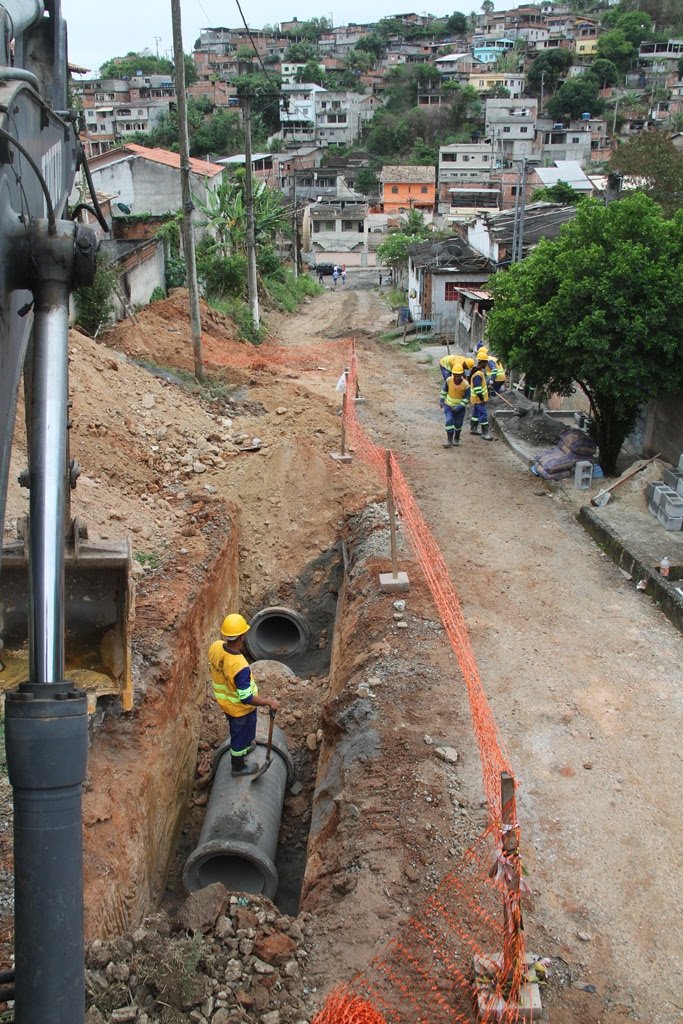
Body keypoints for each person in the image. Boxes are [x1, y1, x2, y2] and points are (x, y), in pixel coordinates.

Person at [208, 613, 281, 776]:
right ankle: (238, 766)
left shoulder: (216, 647)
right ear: (242, 636)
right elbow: (246, 698)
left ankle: (247, 745)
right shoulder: (240, 666)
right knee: (239, 736)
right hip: (238, 709)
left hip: (226, 703)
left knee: (249, 726)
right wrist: (268, 702)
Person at [439, 361, 470, 447]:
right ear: (452, 374)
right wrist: (442, 400)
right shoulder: (449, 381)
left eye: (458, 375)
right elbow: (444, 390)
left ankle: (456, 438)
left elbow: (467, 398)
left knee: (458, 424)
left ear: (461, 375)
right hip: (449, 406)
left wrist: (459, 407)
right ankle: (449, 441)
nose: (456, 378)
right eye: (455, 375)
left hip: (460, 409)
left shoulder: (466, 384)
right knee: (449, 422)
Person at [469, 348, 493, 441]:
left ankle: (473, 429)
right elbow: (477, 388)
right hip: (478, 399)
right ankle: (485, 433)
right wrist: (482, 399)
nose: (487, 364)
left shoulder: (476, 371)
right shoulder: (478, 374)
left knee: (475, 414)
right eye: (486, 362)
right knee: (483, 414)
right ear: (482, 362)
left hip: (475, 399)